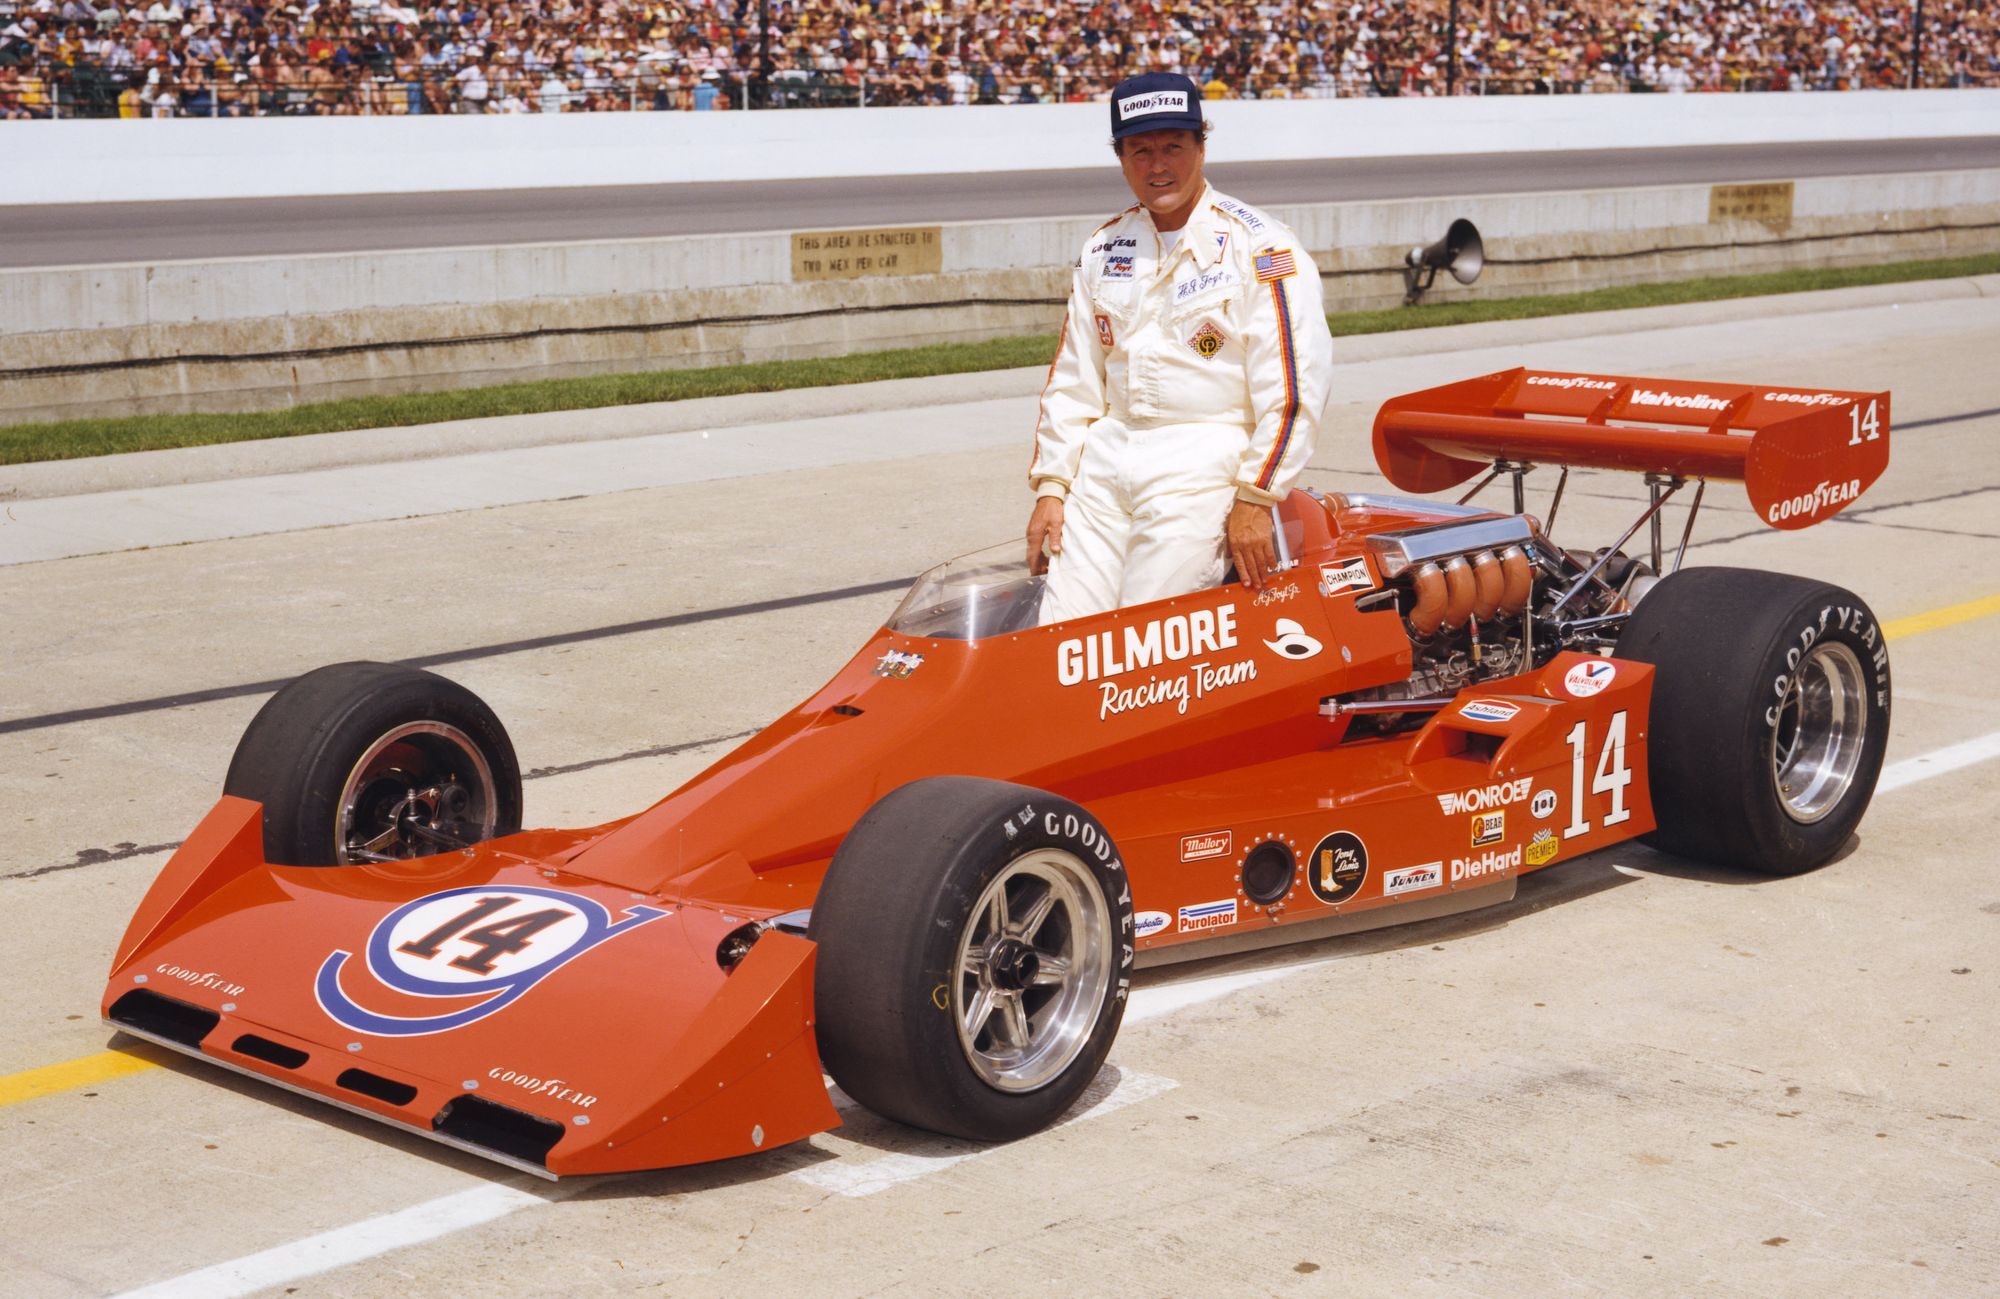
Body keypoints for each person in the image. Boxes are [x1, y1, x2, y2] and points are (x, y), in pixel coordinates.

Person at [1025, 71, 1333, 624]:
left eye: (1173, 147)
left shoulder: (1261, 247)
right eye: (1140, 151)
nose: (1157, 166)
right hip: (1105, 463)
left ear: (1201, 146)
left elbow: (1294, 388)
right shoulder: (1104, 247)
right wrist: (1052, 485)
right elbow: (1074, 379)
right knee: (1063, 633)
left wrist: (1257, 497)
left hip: (1203, 462)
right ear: (1121, 158)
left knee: (1152, 633)